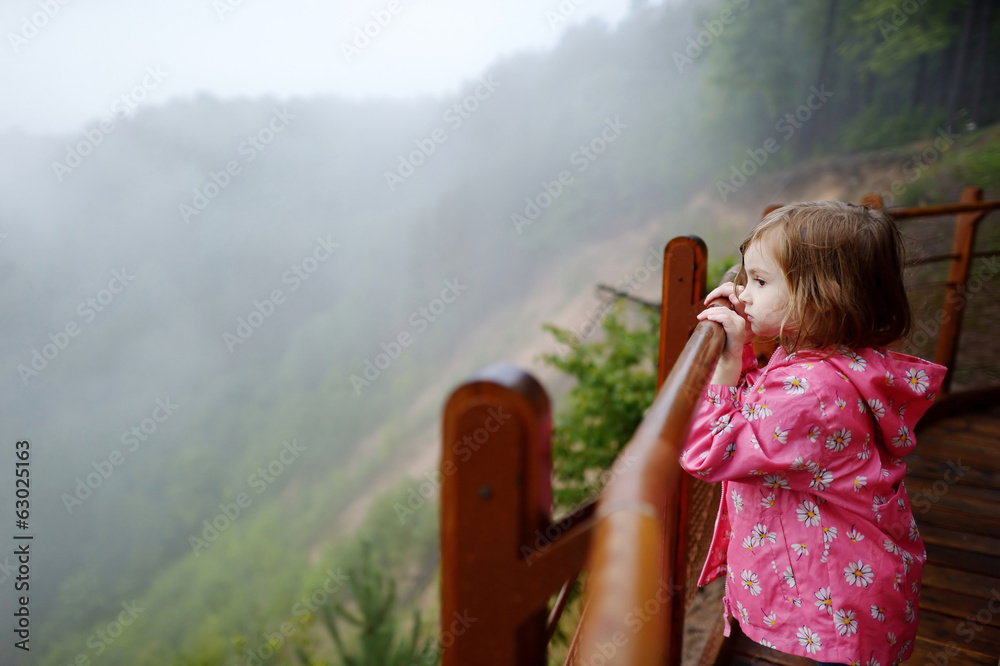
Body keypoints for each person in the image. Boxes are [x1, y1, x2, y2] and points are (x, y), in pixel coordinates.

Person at [679, 201, 947, 666]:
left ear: (820, 299)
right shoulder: (821, 362)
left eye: (759, 282)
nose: (742, 294)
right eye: (745, 277)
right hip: (849, 589)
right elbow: (758, 414)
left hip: (838, 601)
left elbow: (710, 452)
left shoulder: (811, 392)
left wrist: (724, 365)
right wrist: (743, 353)